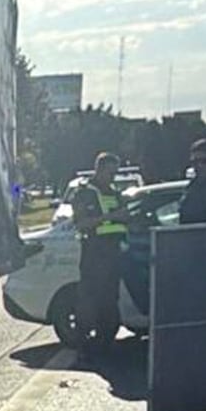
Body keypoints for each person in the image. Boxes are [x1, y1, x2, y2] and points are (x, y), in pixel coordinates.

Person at [68, 152, 129, 356]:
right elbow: (81, 224)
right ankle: (84, 349)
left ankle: (105, 347)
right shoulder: (85, 193)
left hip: (113, 256)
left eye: (115, 173)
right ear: (99, 169)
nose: (113, 177)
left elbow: (125, 219)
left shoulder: (115, 193)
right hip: (94, 256)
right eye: (110, 172)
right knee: (89, 304)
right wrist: (110, 217)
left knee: (109, 304)